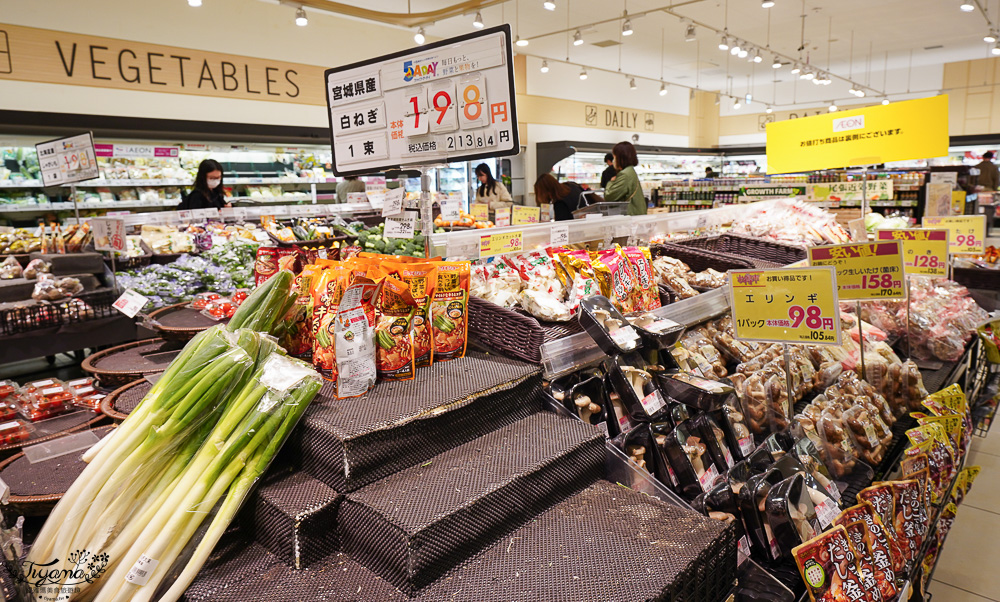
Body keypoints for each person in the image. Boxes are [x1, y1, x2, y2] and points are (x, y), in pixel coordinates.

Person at [603, 141, 647, 216]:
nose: (614, 161)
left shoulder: (625, 174)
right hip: (636, 214)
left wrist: (611, 182)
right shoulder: (630, 171)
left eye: (614, 157)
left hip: (630, 215)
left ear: (620, 158)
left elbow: (609, 196)